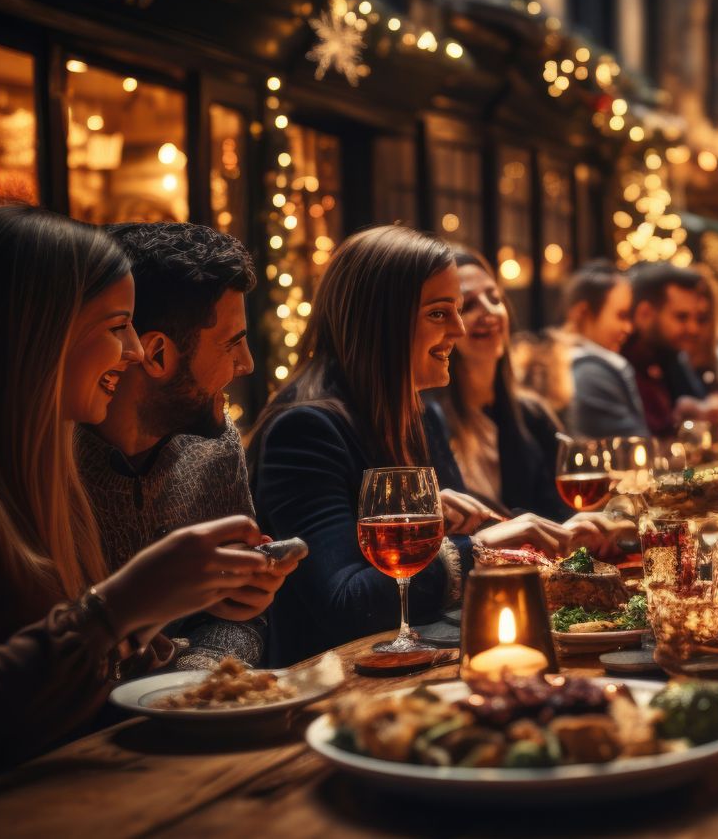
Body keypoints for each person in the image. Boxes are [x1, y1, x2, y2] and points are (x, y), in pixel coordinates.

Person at [0, 207, 280, 796]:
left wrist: (156, 613)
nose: (133, 353)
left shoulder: (36, 471)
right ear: (37, 335)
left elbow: (63, 678)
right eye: (117, 326)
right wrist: (119, 606)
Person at [248, 225, 573, 666]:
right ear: (381, 321)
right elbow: (346, 603)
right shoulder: (304, 430)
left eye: (456, 311)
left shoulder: (419, 412)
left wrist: (553, 535)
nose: (459, 330)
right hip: (335, 687)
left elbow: (457, 541)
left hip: (422, 660)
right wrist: (481, 548)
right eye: (440, 313)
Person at [76, 221, 289, 669]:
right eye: (232, 343)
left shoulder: (214, 447)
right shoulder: (49, 461)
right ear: (156, 354)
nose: (247, 364)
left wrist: (197, 677)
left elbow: (239, 619)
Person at [428, 249, 631, 557]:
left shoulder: (531, 414)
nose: (489, 312)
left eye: (494, 299)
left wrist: (598, 527)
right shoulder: (425, 420)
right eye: (466, 305)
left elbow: (563, 516)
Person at [621, 263, 710, 437]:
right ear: (644, 314)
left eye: (698, 318)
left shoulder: (671, 356)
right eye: (681, 317)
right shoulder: (621, 366)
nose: (694, 329)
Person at [562, 262, 649, 438]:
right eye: (621, 316)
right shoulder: (591, 372)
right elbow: (634, 448)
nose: (628, 328)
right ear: (583, 312)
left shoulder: (572, 362)